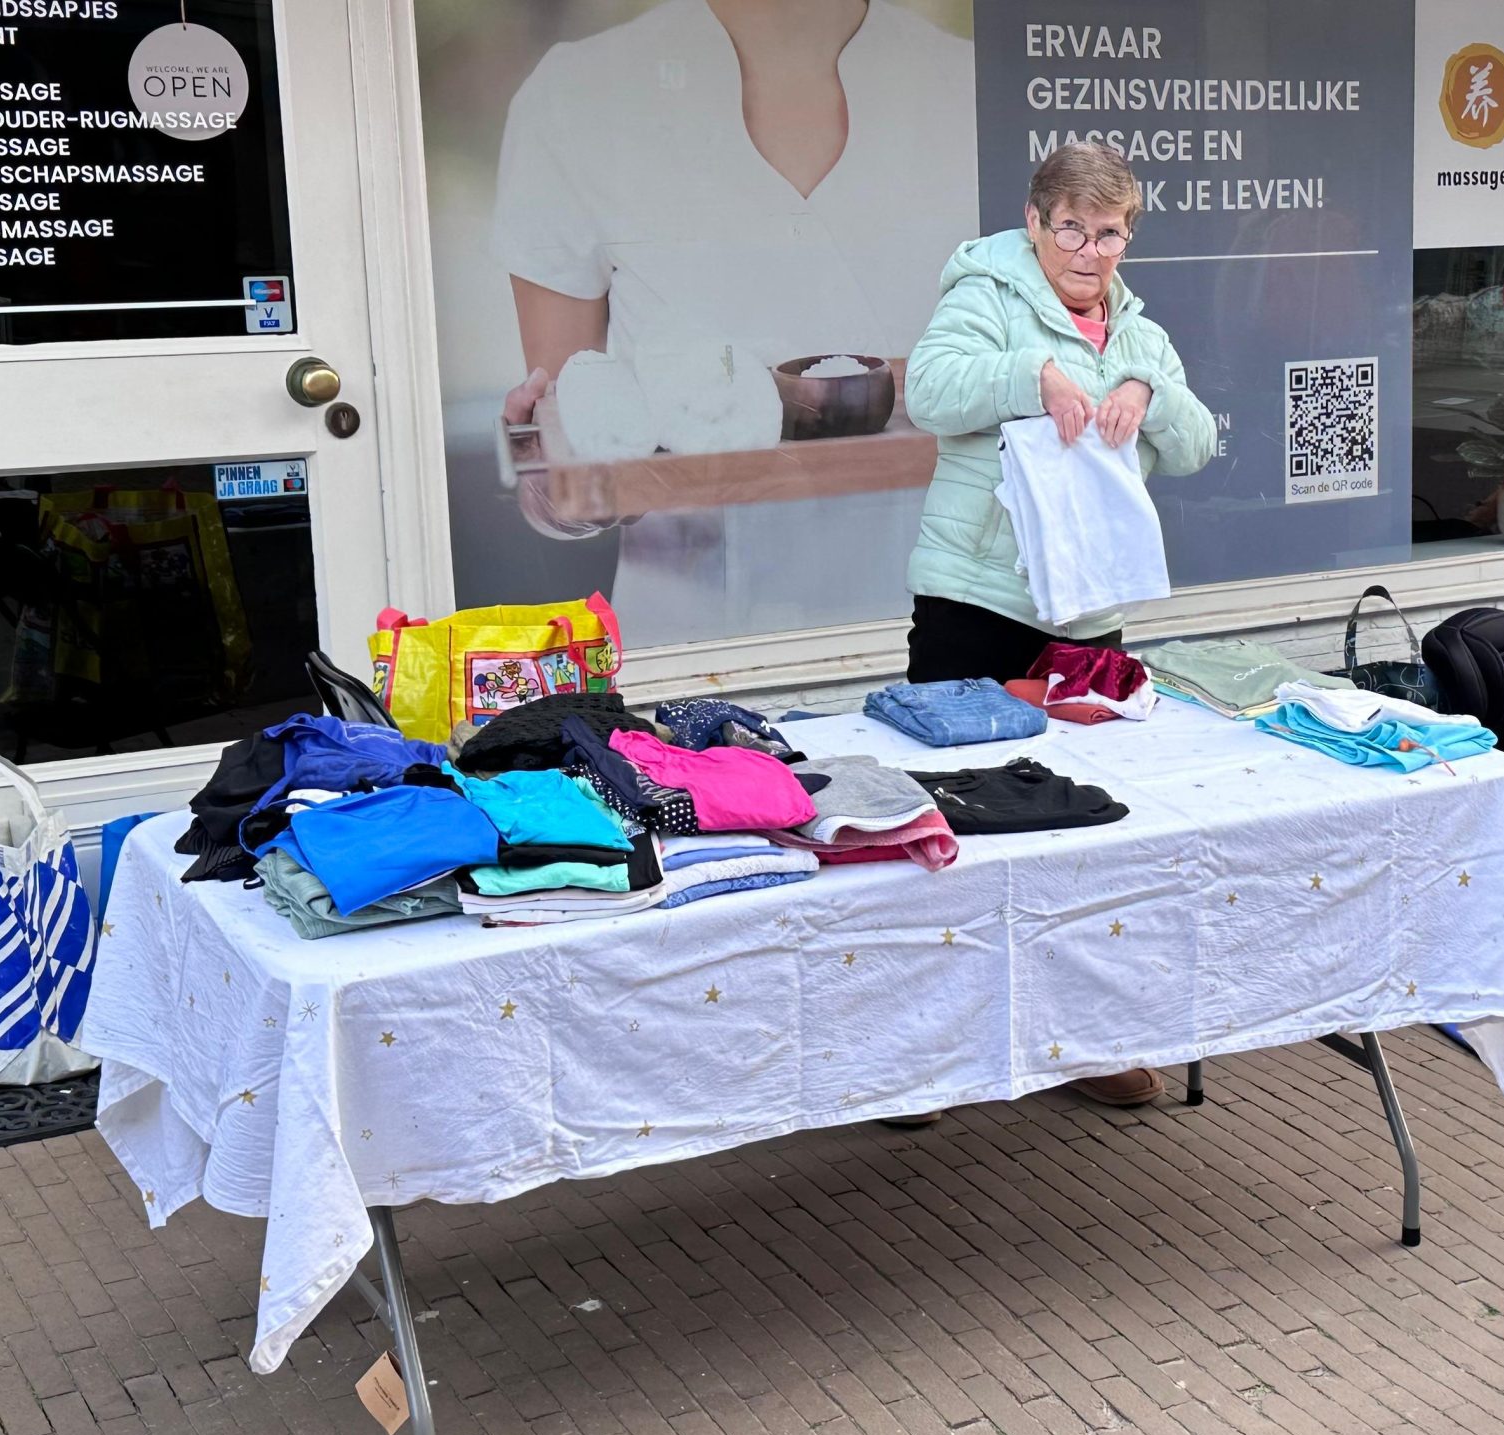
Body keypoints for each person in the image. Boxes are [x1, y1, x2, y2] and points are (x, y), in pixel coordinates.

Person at [487, 0, 976, 645]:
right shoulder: (578, 96)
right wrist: (555, 477)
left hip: (959, 626)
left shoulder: (974, 88)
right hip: (699, 652)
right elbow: (572, 431)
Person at [898, 142, 1214, 1108]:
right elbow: (928, 394)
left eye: (1108, 232)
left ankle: (1086, 1040)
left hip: (1089, 612)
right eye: (1071, 227)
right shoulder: (984, 291)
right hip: (976, 600)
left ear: (1130, 234)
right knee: (947, 833)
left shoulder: (1138, 329)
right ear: (1035, 223)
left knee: (1087, 832)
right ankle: (927, 1060)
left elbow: (1196, 446)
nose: (1088, 250)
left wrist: (1144, 394)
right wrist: (1036, 373)